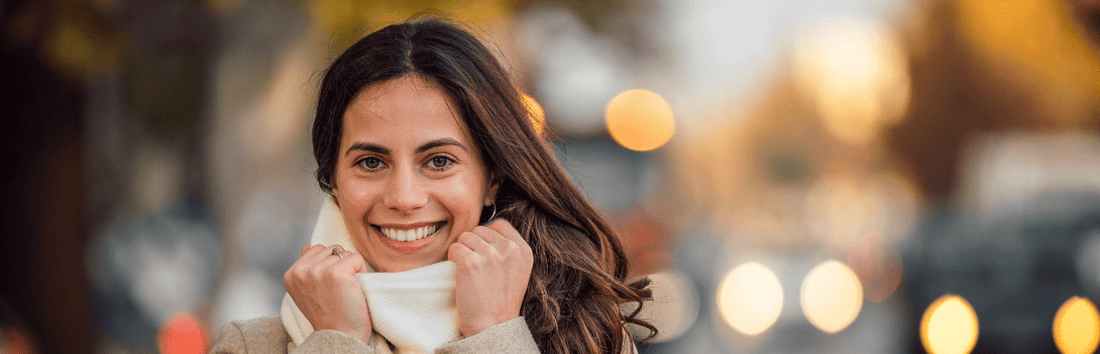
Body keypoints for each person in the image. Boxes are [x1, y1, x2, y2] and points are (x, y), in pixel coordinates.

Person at [211, 16, 655, 354]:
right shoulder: (251, 346)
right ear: (332, 180)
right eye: (370, 162)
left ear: (492, 177)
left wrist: (494, 335)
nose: (404, 198)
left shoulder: (589, 337)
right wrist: (338, 341)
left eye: (439, 161)